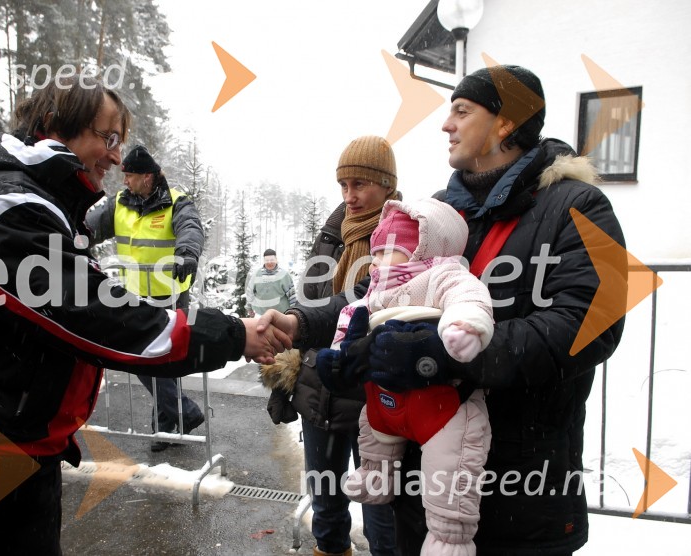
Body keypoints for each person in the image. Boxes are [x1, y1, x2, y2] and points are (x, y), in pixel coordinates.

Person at [0, 74, 288, 556]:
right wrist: (234, 334)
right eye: (109, 137)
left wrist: (184, 262)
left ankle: (179, 417)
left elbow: (161, 248)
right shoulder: (3, 206)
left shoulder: (26, 196)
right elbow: (93, 315)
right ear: (59, 127)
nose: (118, 158)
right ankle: (179, 418)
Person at [260, 65, 627, 556]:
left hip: (521, 488)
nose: (445, 124)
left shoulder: (581, 207)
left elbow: (589, 324)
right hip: (425, 484)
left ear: (505, 123)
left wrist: (448, 352)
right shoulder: (437, 211)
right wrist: (303, 322)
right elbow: (377, 290)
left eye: (461, 110)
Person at [315, 198, 494, 556]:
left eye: (391, 250)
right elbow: (352, 314)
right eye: (377, 252)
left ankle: (449, 536)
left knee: (452, 464)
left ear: (425, 247)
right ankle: (375, 474)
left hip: (439, 402)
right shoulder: (377, 287)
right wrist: (340, 353)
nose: (378, 261)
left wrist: (465, 328)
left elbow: (469, 298)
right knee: (372, 427)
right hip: (385, 396)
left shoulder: (444, 274)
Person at [260, 135, 399, 556]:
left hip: (372, 394)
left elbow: (361, 304)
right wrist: (292, 358)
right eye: (344, 185)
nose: (350, 195)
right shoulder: (331, 235)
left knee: (381, 513)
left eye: (360, 184)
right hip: (320, 385)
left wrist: (302, 324)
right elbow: (311, 297)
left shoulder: (402, 239)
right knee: (325, 501)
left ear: (387, 185)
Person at [85, 144, 205, 452]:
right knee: (148, 358)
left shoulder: (177, 203)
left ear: (148, 177)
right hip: (134, 294)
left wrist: (187, 253)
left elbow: (191, 229)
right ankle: (180, 416)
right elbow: (88, 227)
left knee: (157, 358)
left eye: (130, 176)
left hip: (170, 293)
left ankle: (168, 425)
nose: (124, 181)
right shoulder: (119, 204)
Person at [246, 248, 296, 316]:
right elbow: (250, 293)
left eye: (272, 260)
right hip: (260, 314)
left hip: (281, 314)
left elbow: (292, 295)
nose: (269, 262)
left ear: (276, 260)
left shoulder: (284, 275)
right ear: (264, 261)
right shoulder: (256, 274)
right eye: (267, 260)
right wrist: (249, 307)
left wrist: (293, 311)